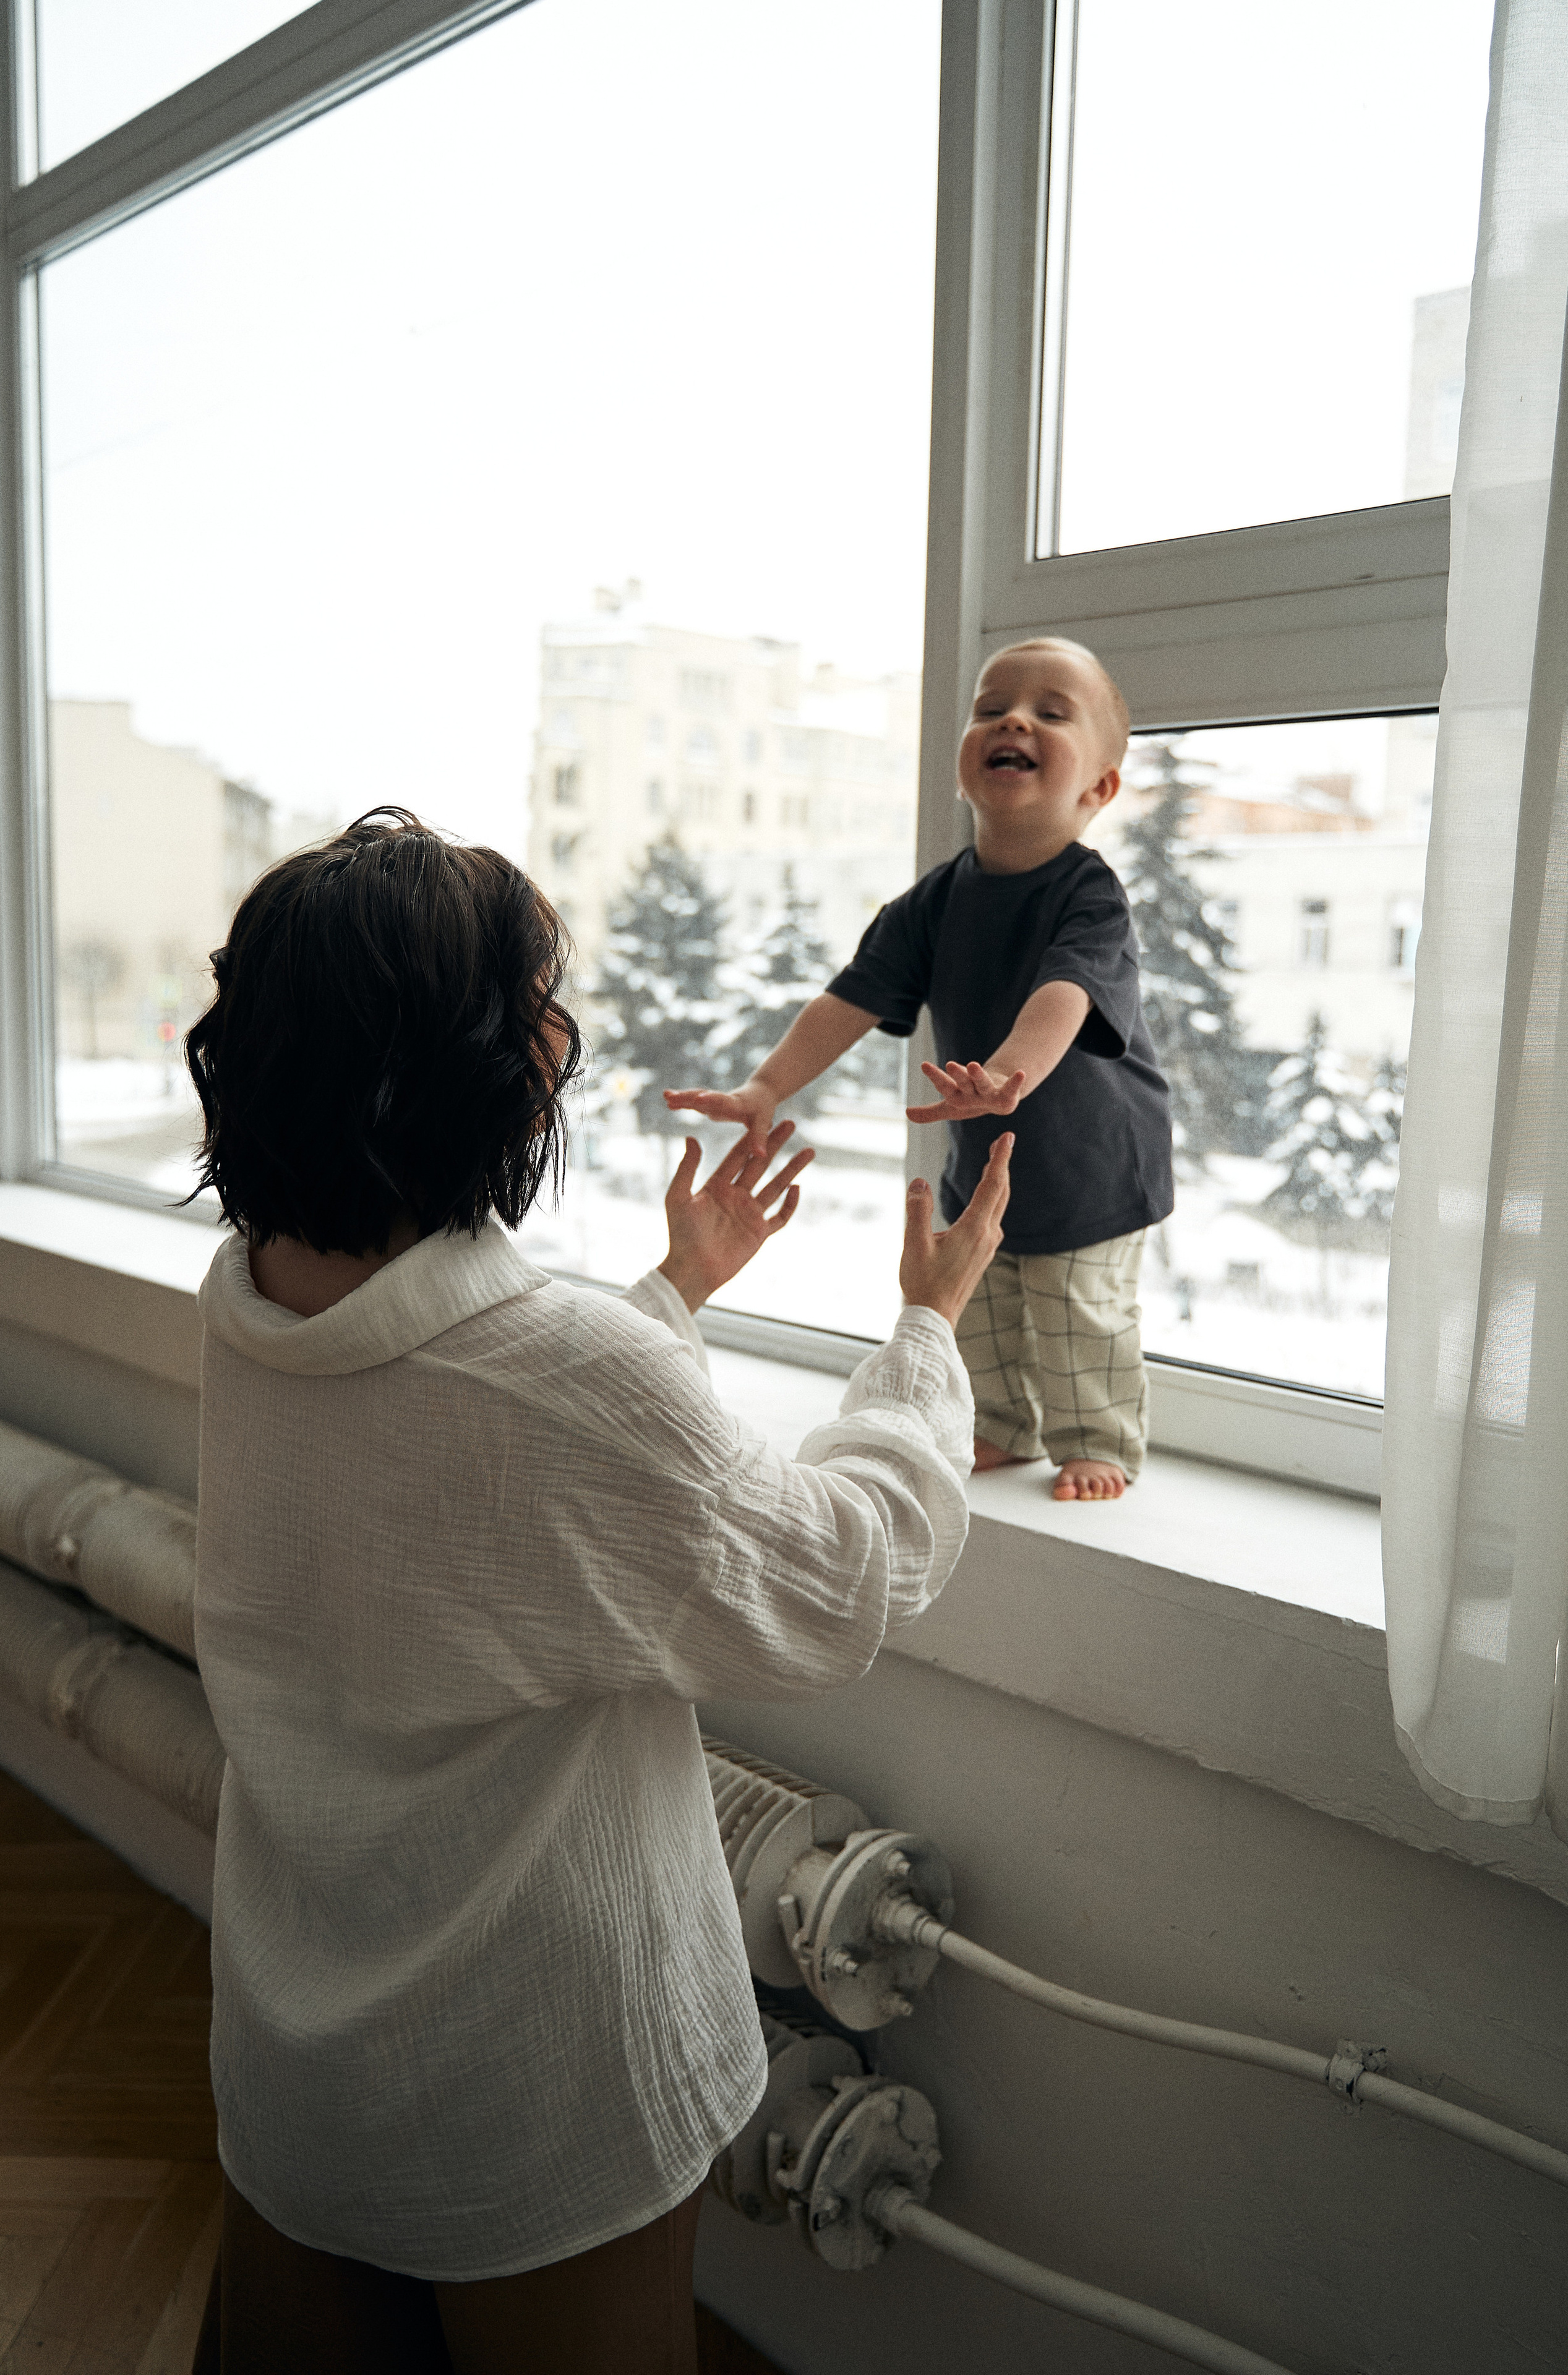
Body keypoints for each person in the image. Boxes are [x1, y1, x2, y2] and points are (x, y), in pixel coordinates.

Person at [183, 808, 1012, 2375]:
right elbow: (837, 1578)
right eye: (537, 1006)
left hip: (303, 2042)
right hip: (533, 2091)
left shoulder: (250, 1303)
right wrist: (924, 1330)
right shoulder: (566, 1380)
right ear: (463, 1066)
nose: (560, 1036)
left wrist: (670, 1298)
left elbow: (472, 1491)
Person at [666, 637, 1173, 1502]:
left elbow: (1066, 994)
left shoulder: (1089, 895)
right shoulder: (934, 902)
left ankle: (1099, 1440)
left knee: (1078, 1312)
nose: (1014, 718)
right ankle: (1004, 1425)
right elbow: (847, 1002)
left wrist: (1008, 1073)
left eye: (1052, 713)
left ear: (1099, 789)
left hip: (1092, 1160)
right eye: (991, 708)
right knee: (983, 1300)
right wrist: (766, 1088)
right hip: (984, 1150)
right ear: (964, 764)